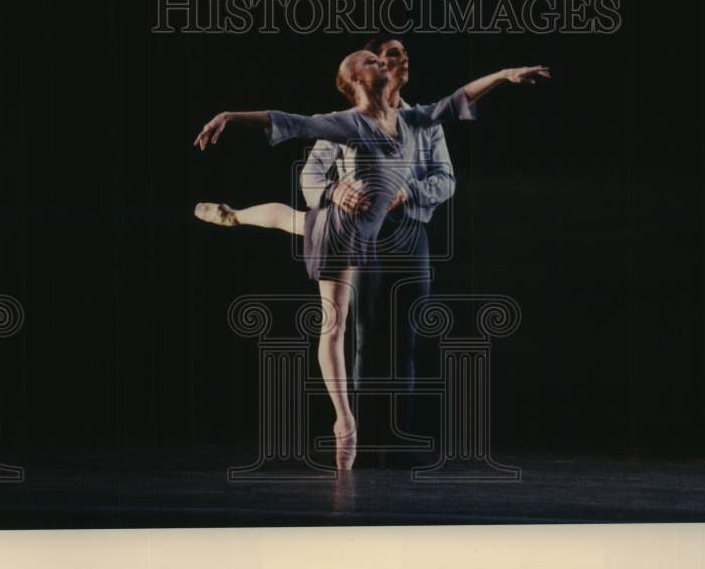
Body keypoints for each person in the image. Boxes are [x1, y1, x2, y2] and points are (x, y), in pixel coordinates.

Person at [192, 50, 550, 471]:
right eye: (371, 60)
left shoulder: (412, 121)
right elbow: (292, 122)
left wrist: (504, 75)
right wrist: (232, 116)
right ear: (356, 79)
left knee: (293, 221)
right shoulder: (347, 121)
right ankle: (346, 423)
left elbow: (457, 100)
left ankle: (235, 214)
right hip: (343, 236)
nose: (382, 62)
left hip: (374, 232)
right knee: (334, 325)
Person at [299, 36, 454, 466]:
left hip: (410, 229)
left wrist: (410, 190)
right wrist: (336, 190)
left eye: (402, 54)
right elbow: (310, 177)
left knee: (405, 337)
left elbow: (447, 179)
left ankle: (398, 441)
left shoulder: (423, 120)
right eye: (388, 56)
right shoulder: (349, 120)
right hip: (361, 233)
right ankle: (362, 440)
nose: (398, 61)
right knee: (364, 334)